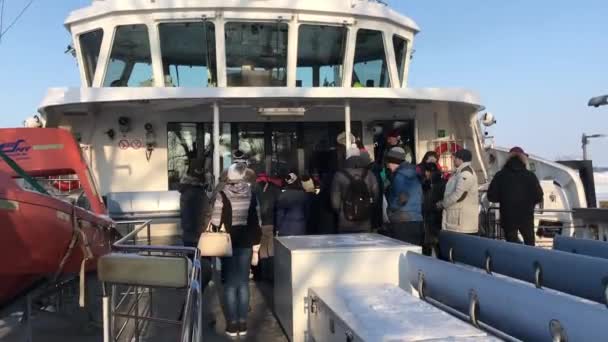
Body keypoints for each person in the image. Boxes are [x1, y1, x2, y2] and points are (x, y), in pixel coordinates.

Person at [210, 163, 262, 338]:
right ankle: (243, 322)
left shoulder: (222, 194)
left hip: (228, 242)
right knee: (243, 283)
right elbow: (257, 222)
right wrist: (256, 246)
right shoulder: (252, 194)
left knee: (230, 285)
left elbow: (216, 222)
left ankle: (232, 324)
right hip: (246, 243)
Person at [487, 147, 544, 246]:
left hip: (508, 216)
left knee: (511, 245)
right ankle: (530, 261)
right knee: (530, 243)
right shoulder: (530, 176)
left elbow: (491, 197)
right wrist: (529, 203)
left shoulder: (500, 175)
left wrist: (504, 198)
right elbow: (539, 196)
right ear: (523, 159)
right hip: (526, 216)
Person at [331, 148, 380, 233]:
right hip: (365, 221)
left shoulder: (339, 175)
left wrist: (341, 211)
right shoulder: (369, 174)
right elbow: (376, 195)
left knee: (346, 245)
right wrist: (367, 207)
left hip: (345, 221)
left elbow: (335, 203)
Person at [384, 147, 423, 244]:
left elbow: (401, 198)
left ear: (393, 162)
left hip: (402, 220)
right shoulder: (415, 173)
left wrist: (390, 211)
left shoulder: (399, 176)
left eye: (388, 163)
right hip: (417, 218)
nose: (388, 166)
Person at [437, 149, 479, 236]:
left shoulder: (465, 174)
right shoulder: (459, 172)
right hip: (457, 222)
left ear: (460, 159)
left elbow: (459, 195)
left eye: (455, 158)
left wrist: (443, 204)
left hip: (462, 223)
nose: (453, 159)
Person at [179, 158, 208, 248]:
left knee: (190, 260)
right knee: (202, 260)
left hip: (188, 234)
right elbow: (205, 213)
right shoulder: (199, 193)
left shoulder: (185, 191)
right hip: (199, 235)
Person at [421, 162, 445, 255]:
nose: (425, 173)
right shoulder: (426, 183)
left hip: (435, 217)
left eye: (427, 171)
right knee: (431, 244)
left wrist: (434, 208)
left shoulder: (437, 184)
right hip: (430, 216)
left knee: (436, 245)